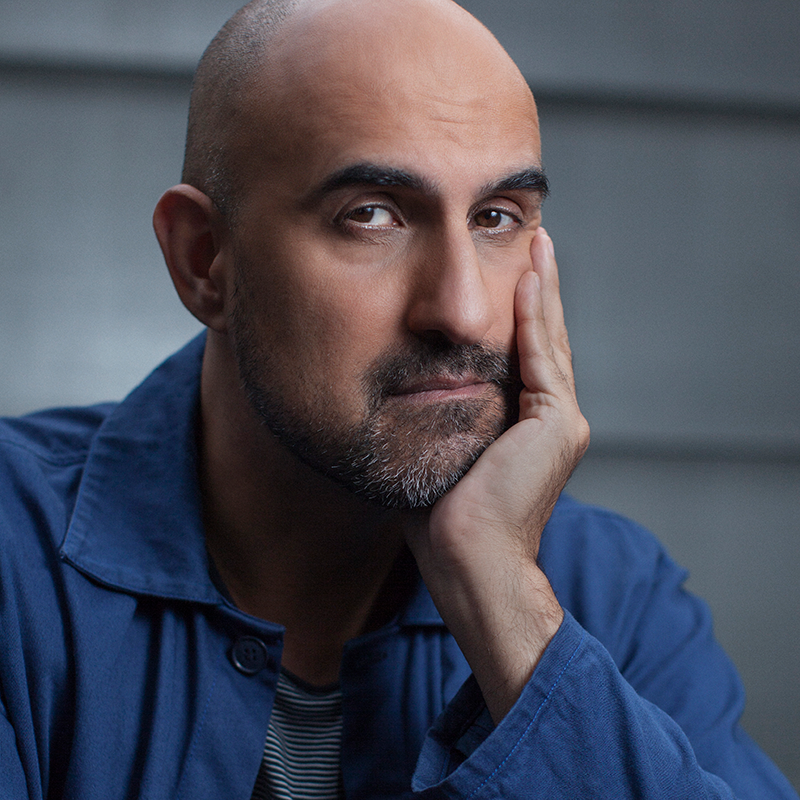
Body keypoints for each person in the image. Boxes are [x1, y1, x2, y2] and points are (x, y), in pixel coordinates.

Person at [0, 0, 796, 797]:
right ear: (204, 259)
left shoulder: (613, 594)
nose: (464, 312)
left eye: (496, 217)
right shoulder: (14, 559)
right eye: (371, 216)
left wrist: (503, 602)